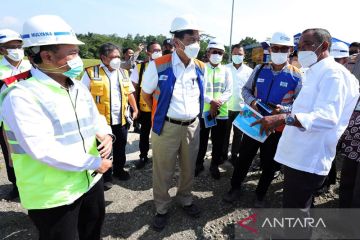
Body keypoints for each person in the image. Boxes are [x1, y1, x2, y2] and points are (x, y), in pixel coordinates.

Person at [0, 15, 113, 240]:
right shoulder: (22, 95)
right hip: (54, 194)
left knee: (92, 233)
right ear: (47, 55)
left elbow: (96, 116)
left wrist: (106, 132)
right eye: (72, 53)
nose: (78, 58)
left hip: (90, 181)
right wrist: (95, 162)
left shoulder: (76, 85)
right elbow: (41, 148)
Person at [252, 28, 359, 238]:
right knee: (299, 209)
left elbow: (328, 116)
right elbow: (309, 108)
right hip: (299, 154)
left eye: (306, 45)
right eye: (299, 47)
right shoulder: (315, 71)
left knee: (296, 211)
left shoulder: (333, 74)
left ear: (324, 46)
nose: (301, 51)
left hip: (308, 157)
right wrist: (285, 111)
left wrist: (283, 118)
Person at [223, 32, 302, 207]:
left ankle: (260, 195)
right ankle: (235, 188)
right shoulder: (259, 69)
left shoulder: (297, 76)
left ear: (290, 50)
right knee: (244, 157)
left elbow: (300, 105)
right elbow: (245, 90)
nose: (279, 51)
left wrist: (284, 110)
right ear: (270, 49)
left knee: (269, 163)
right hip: (253, 122)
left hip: (277, 128)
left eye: (283, 48)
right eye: (275, 48)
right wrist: (253, 102)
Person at [141, 14, 204, 231]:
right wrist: (160, 116)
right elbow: (146, 96)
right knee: (163, 170)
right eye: (192, 39)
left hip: (192, 126)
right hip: (166, 127)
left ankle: (185, 199)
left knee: (188, 168)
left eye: (199, 39)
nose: (197, 44)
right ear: (177, 42)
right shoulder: (158, 65)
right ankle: (161, 207)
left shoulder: (200, 67)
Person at [82, 43, 138, 189]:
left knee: (120, 146)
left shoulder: (123, 72)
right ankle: (106, 175)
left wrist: (135, 108)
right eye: (113, 57)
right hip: (101, 122)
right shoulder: (91, 73)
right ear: (103, 57)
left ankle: (119, 170)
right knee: (104, 149)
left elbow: (130, 92)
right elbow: (82, 97)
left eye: (118, 56)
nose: (117, 60)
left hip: (121, 118)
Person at [0, 29, 31, 200]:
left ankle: (32, 181)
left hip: (31, 119)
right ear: (2, 50)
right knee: (11, 153)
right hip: (6, 122)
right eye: (11, 46)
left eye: (19, 46)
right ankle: (16, 184)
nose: (17, 49)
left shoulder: (31, 66)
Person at [195, 39, 232, 179]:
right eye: (214, 52)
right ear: (208, 53)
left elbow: (229, 90)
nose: (217, 54)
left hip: (221, 112)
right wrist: (211, 102)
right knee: (201, 140)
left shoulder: (226, 70)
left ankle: (214, 165)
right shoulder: (201, 68)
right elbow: (198, 88)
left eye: (220, 52)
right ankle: (198, 164)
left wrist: (217, 103)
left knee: (218, 142)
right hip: (204, 112)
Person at [130, 41, 162, 169]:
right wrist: (135, 108)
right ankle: (143, 156)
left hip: (161, 107)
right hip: (145, 107)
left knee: (161, 134)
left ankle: (160, 157)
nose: (157, 53)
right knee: (144, 133)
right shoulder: (140, 67)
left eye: (159, 50)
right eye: (154, 50)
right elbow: (134, 88)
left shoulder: (166, 65)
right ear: (148, 52)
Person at [222, 44, 253, 164]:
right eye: (234, 53)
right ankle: (223, 154)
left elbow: (250, 90)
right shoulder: (225, 68)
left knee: (238, 134)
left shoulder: (249, 71)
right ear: (231, 54)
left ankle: (234, 155)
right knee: (224, 134)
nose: (237, 56)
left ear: (244, 55)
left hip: (242, 108)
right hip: (225, 107)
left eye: (240, 54)